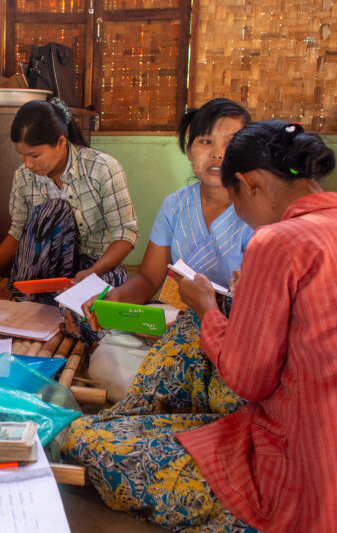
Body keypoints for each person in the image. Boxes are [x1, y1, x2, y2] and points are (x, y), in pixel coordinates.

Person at [63, 121, 337, 532]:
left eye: (235, 199)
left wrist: (206, 308)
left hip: (306, 470)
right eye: (205, 141)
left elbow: (249, 381)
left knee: (87, 440)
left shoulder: (276, 241)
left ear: (249, 184)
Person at [80, 98, 253, 407]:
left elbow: (261, 306)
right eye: (205, 141)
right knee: (107, 360)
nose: (218, 153)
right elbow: (148, 278)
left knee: (236, 383)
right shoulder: (175, 205)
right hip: (173, 323)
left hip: (232, 336)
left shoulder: (257, 209)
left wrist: (195, 325)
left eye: (231, 142)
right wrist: (114, 301)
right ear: (189, 149)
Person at [0, 98, 138, 341]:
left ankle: (48, 301)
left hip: (97, 267)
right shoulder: (24, 177)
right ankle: (35, 295)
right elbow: (17, 233)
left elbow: (126, 234)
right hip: (48, 272)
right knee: (51, 211)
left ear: (60, 142)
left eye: (34, 155)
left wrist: (91, 273)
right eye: (21, 155)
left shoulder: (102, 168)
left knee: (86, 311)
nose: (27, 164)